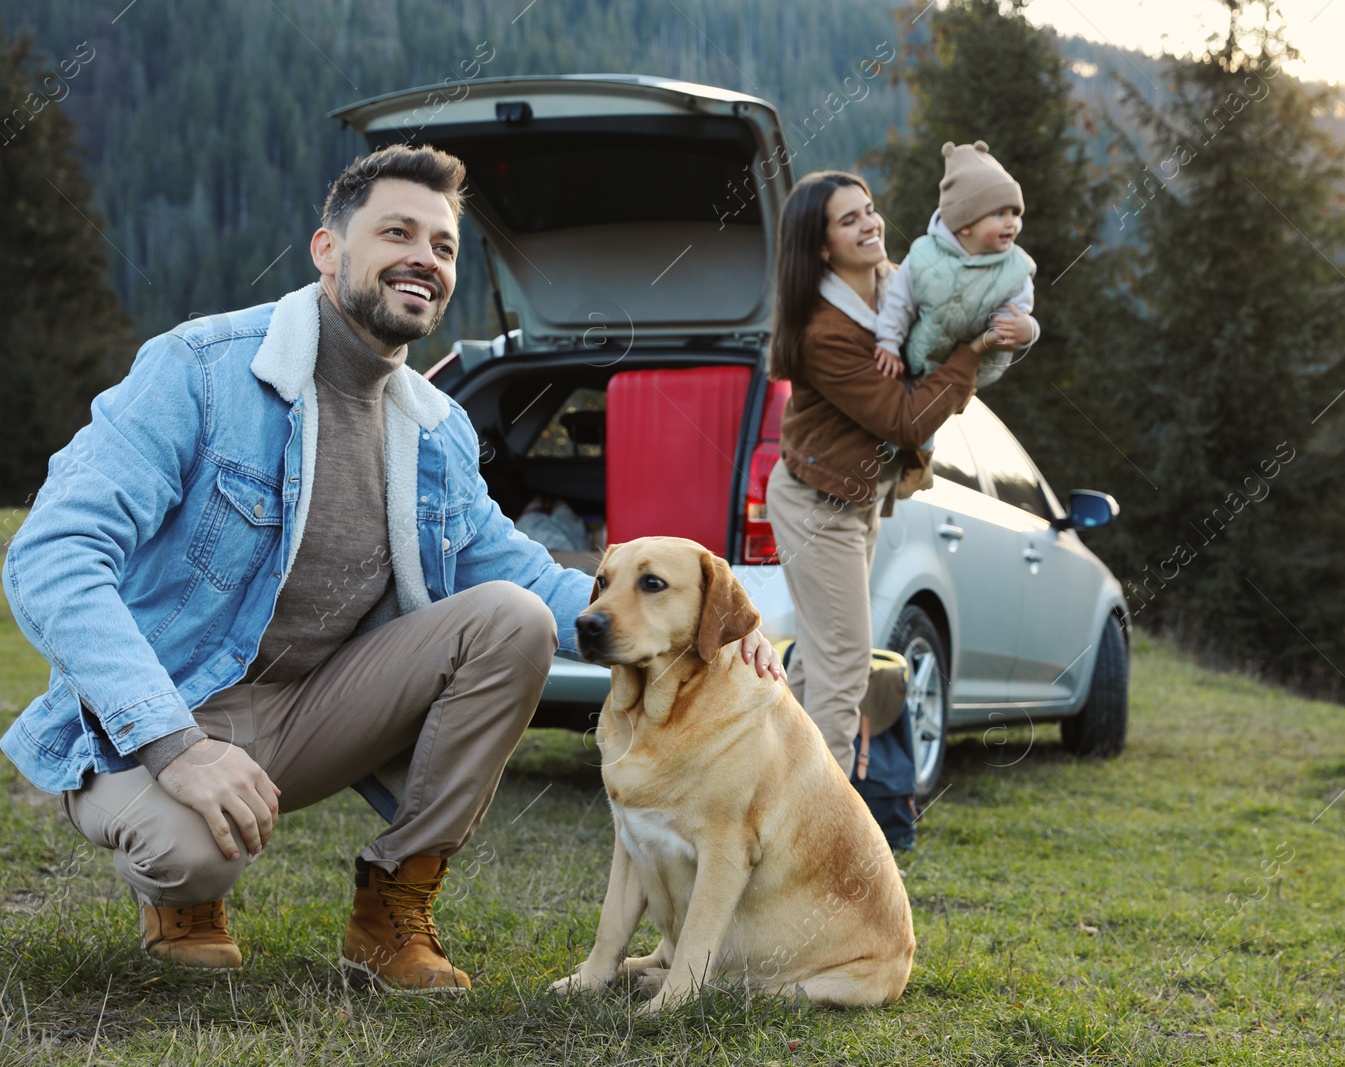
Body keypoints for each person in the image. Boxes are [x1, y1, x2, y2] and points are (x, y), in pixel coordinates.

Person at [0, 144, 782, 993]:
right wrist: (177, 744)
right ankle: (182, 896)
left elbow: (538, 582)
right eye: (398, 232)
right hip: (158, 714)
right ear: (327, 249)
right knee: (191, 855)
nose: (426, 259)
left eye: (444, 246)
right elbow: (53, 554)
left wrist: (720, 632)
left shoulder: (437, 430)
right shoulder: (200, 369)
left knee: (511, 617)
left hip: (312, 711)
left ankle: (391, 905)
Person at [764, 170, 991, 775]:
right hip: (815, 504)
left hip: (856, 498)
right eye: (849, 219)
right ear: (820, 246)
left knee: (819, 664)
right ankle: (827, 845)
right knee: (844, 670)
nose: (870, 224)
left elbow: (940, 359)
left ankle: (775, 804)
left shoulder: (900, 286)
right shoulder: (824, 332)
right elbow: (905, 420)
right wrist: (972, 354)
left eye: (869, 210)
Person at [873, 140, 1039, 495]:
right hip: (919, 351)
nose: (1011, 222)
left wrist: (1026, 330)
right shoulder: (925, 256)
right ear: (964, 224)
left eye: (1015, 213)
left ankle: (920, 463)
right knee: (897, 402)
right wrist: (888, 342)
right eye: (999, 214)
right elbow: (899, 303)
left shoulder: (1015, 269)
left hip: (973, 362)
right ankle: (891, 462)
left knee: (934, 406)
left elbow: (1020, 313)